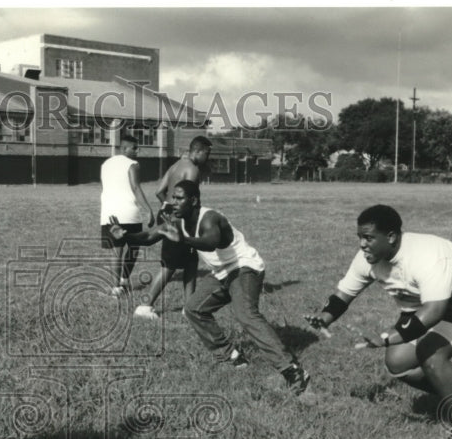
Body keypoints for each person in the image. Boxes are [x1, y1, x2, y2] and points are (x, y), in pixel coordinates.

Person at [304, 204, 452, 439]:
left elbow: (435, 311)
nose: (362, 244)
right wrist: (325, 317)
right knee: (398, 363)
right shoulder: (366, 258)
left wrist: (387, 337)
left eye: (369, 237)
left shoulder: (429, 254)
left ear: (392, 236)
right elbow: (344, 294)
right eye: (360, 237)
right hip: (424, 301)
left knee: (431, 354)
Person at [110, 180, 311, 395]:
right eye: (173, 198)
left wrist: (184, 239)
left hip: (244, 267)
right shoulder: (177, 221)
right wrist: (125, 235)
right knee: (193, 309)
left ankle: (292, 370)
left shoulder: (210, 218)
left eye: (179, 198)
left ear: (194, 200)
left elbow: (210, 241)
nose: (174, 202)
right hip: (222, 272)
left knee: (245, 314)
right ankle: (231, 356)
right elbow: (149, 236)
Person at [132, 136, 211, 320]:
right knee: (170, 264)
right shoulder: (193, 170)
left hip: (167, 213)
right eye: (206, 154)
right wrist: (188, 219)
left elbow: (159, 191)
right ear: (197, 151)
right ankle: (145, 306)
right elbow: (191, 201)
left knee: (191, 261)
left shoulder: (176, 165)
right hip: (179, 219)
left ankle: (189, 308)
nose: (207, 158)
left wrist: (168, 207)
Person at [99, 133, 154, 296]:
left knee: (117, 249)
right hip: (129, 212)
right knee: (134, 247)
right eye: (134, 148)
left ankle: (116, 287)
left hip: (108, 213)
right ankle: (123, 279)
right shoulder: (132, 164)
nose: (137, 151)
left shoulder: (105, 164)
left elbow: (105, 187)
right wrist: (148, 210)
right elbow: (136, 187)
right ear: (124, 148)